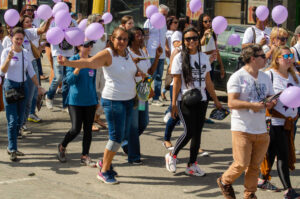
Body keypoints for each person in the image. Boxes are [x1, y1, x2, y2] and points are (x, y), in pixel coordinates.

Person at [57, 27, 144, 184]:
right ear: (112, 39)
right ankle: (104, 171)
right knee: (116, 137)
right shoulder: (107, 54)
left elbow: (132, 69)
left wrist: (140, 74)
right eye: (119, 38)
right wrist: (68, 62)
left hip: (129, 99)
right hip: (113, 101)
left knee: (122, 135)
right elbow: (89, 62)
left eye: (125, 39)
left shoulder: (127, 53)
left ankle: (105, 163)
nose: (123, 42)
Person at [217, 44, 275, 199]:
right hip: (242, 128)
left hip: (261, 129)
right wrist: (252, 105)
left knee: (255, 166)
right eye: (263, 56)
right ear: (253, 59)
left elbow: (271, 96)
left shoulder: (265, 76)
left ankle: (250, 193)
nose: (266, 58)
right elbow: (231, 103)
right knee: (241, 163)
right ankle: (224, 181)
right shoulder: (237, 77)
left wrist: (271, 103)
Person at [165, 27, 222, 176]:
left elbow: (208, 81)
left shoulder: (203, 57)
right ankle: (172, 155)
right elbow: (176, 82)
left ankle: (192, 164)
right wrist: (173, 104)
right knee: (189, 131)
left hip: (202, 99)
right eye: (188, 39)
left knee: (197, 134)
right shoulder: (179, 57)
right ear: (184, 41)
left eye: (194, 38)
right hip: (185, 99)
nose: (192, 41)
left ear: (199, 40)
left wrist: (215, 100)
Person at [257, 46, 300, 198]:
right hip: (274, 121)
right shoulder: (269, 75)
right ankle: (288, 190)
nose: (289, 58)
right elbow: (260, 97)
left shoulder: (295, 76)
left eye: (291, 55)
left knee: (271, 152)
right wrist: (270, 101)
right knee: (283, 154)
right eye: (285, 55)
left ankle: (262, 179)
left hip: (289, 122)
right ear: (277, 58)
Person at [1, 27, 45, 161]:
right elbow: (2, 71)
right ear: (11, 38)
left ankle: (13, 144)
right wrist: (8, 59)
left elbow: (31, 71)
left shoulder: (25, 52)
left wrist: (38, 86)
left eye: (21, 39)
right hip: (10, 86)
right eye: (17, 39)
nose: (19, 41)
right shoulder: (6, 51)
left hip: (23, 86)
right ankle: (12, 148)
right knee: (13, 120)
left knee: (21, 119)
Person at [57, 40, 98, 167]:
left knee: (88, 130)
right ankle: (62, 146)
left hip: (90, 100)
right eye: (87, 45)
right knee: (75, 129)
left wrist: (96, 99)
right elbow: (69, 81)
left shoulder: (92, 61)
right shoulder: (72, 60)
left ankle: (84, 155)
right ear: (79, 46)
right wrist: (78, 68)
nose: (90, 47)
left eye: (91, 45)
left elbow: (93, 81)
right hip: (75, 101)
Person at [125, 27, 162, 164]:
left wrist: (157, 57)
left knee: (143, 122)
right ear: (131, 38)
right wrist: (133, 65)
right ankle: (134, 156)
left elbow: (150, 72)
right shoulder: (127, 53)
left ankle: (124, 141)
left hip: (143, 90)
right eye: (138, 35)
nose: (141, 37)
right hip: (133, 91)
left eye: (141, 34)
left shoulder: (142, 51)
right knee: (134, 125)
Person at [45, 2, 77, 111]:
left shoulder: (73, 22)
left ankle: (65, 104)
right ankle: (49, 96)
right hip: (57, 53)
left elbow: (77, 36)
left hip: (69, 53)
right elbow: (50, 36)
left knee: (67, 79)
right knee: (58, 77)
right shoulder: (54, 22)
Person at [144, 4, 169, 106]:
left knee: (159, 76)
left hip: (161, 54)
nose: (164, 16)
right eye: (163, 14)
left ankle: (156, 97)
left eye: (166, 15)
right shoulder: (148, 22)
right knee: (150, 76)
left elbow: (165, 36)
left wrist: (167, 48)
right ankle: (144, 95)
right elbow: (145, 37)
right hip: (151, 53)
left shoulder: (164, 23)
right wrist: (144, 50)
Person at [87, 14, 108, 131]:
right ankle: (89, 121)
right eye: (99, 21)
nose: (102, 23)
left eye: (102, 21)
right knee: (93, 92)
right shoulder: (88, 35)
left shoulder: (104, 35)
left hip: (102, 66)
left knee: (103, 91)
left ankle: (97, 117)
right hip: (92, 66)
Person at [161, 16, 178, 101]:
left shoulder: (176, 32)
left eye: (177, 22)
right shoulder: (167, 33)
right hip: (170, 55)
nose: (176, 24)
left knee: (172, 75)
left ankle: (164, 91)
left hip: (175, 55)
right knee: (171, 74)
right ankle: (164, 90)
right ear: (170, 24)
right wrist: (166, 48)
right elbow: (164, 42)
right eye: (175, 22)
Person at [291, 25, 300, 155]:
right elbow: (289, 70)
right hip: (294, 93)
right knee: (292, 123)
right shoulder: (292, 51)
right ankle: (286, 150)